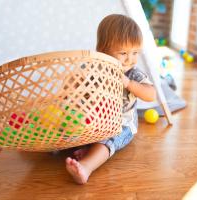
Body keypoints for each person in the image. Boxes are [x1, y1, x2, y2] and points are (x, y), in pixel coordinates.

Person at [65, 14, 156, 184]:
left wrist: (129, 84)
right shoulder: (93, 69)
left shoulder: (133, 73)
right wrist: (76, 80)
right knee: (69, 125)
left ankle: (86, 166)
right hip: (94, 120)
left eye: (135, 52)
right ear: (103, 51)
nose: (130, 59)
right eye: (123, 53)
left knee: (107, 141)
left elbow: (151, 94)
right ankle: (85, 148)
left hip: (121, 124)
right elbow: (70, 88)